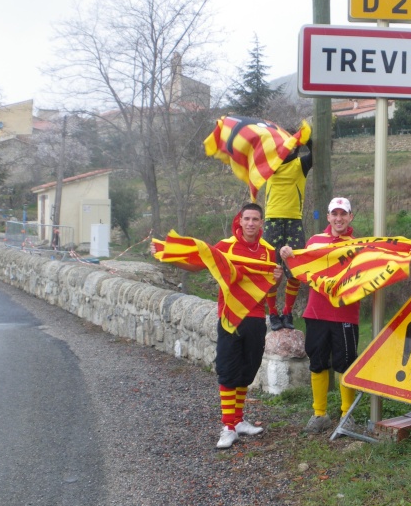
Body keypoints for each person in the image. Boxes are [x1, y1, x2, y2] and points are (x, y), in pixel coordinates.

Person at [152, 203, 282, 449]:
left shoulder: (268, 251)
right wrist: (167, 256)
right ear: (240, 221)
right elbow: (198, 263)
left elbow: (270, 288)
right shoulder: (225, 247)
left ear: (262, 222)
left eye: (256, 219)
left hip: (255, 317)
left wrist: (278, 280)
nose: (251, 223)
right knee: (227, 369)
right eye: (247, 219)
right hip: (229, 317)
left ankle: (239, 420)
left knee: (248, 369)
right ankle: (228, 427)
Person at [279, 196, 359, 434]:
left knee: (345, 364)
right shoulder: (315, 242)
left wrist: (403, 252)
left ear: (350, 217)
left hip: (346, 313)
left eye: (343, 214)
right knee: (317, 363)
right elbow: (299, 264)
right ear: (328, 217)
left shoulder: (359, 245)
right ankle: (319, 414)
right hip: (316, 313)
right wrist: (287, 255)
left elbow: (379, 262)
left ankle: (347, 415)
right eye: (334, 214)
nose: (339, 218)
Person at [263, 141, 313, 331]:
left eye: (292, 146)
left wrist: (306, 138)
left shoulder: (300, 164)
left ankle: (287, 312)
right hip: (272, 221)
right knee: (271, 270)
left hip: (294, 222)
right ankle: (273, 313)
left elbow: (318, 153)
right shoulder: (270, 165)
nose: (287, 150)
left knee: (295, 270)